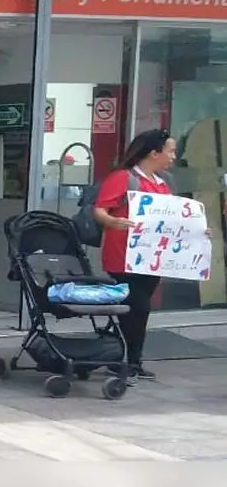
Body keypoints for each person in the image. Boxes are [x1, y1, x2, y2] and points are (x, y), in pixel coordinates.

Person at [93, 128, 177, 382]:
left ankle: (129, 358)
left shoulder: (165, 183)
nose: (174, 156)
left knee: (139, 308)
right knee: (137, 306)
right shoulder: (124, 178)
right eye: (171, 150)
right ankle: (130, 360)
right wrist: (113, 221)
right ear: (154, 153)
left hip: (151, 258)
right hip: (123, 256)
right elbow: (100, 210)